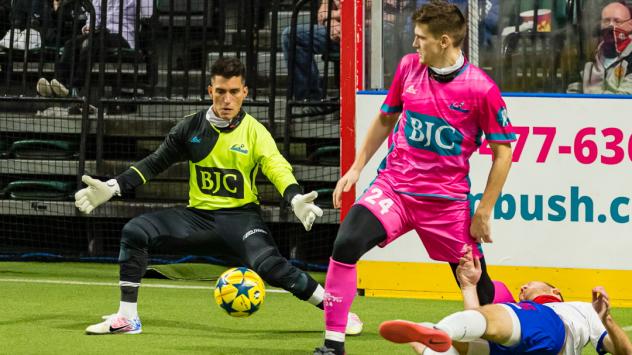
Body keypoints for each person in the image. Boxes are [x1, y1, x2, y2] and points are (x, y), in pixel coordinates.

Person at [74, 57, 363, 336]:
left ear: (245, 93)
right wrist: (114, 186)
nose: (227, 99)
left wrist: (295, 197)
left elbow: (277, 167)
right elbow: (154, 162)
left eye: (234, 92)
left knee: (271, 267)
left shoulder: (255, 132)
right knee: (135, 231)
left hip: (241, 220)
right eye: (221, 92)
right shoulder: (191, 127)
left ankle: (338, 314)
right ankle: (127, 318)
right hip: (197, 218)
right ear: (210, 90)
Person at [313, 2, 516, 354]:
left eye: (420, 38)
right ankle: (333, 346)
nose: (413, 45)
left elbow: (504, 153)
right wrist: (358, 167)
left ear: (444, 41)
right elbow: (385, 118)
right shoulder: (409, 68)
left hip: (446, 202)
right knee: (345, 244)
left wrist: (484, 209)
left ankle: (509, 330)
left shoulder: (481, 89)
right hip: (395, 187)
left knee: (476, 285)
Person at [379, 246, 632, 354]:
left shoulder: (576, 309)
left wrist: (607, 319)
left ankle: (437, 330)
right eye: (522, 290)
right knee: (454, 341)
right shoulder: (519, 309)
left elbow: (625, 352)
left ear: (555, 291)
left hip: (552, 332)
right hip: (512, 347)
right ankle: (432, 332)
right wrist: (468, 286)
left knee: (449, 331)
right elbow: (477, 329)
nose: (522, 287)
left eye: (529, 285)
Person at [36, 0, 153, 105]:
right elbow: (93, 19)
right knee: (70, 44)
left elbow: (148, 14)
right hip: (98, 35)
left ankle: (74, 86)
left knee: (93, 41)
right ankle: (58, 83)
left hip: (123, 36)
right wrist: (88, 27)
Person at [281, 0, 340, 116]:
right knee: (290, 36)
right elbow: (322, 12)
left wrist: (332, 15)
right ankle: (311, 101)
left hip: (370, 29)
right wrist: (331, 23)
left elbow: (368, 10)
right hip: (337, 29)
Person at [568, 1, 632, 94]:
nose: (611, 25)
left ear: (630, 25)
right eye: (606, 21)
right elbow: (572, 93)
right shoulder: (589, 57)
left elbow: (625, 97)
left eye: (617, 21)